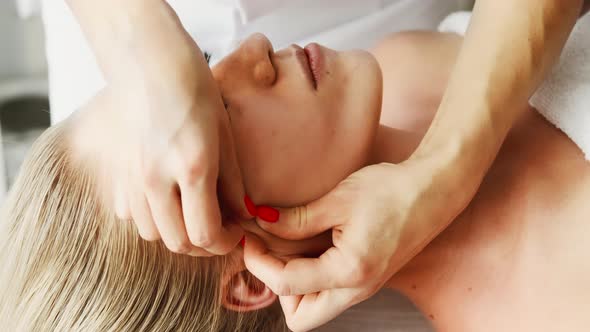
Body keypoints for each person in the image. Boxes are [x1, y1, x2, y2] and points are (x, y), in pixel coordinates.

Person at [2, 21, 590, 330]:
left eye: (200, 68)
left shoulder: (409, 69)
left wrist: (448, 166)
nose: (253, 50)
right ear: (255, 281)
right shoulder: (554, 315)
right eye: (220, 120)